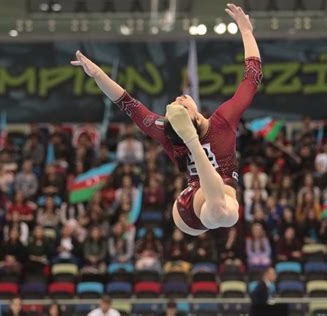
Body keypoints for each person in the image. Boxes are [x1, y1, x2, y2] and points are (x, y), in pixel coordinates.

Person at [72, 3, 262, 235]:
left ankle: (215, 209)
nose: (179, 97)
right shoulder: (219, 122)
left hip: (202, 203)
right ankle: (215, 207)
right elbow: (252, 77)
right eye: (180, 103)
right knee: (227, 213)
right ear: (191, 115)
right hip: (195, 204)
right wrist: (246, 31)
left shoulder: (173, 130)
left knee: (224, 210)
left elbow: (126, 102)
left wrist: (99, 75)